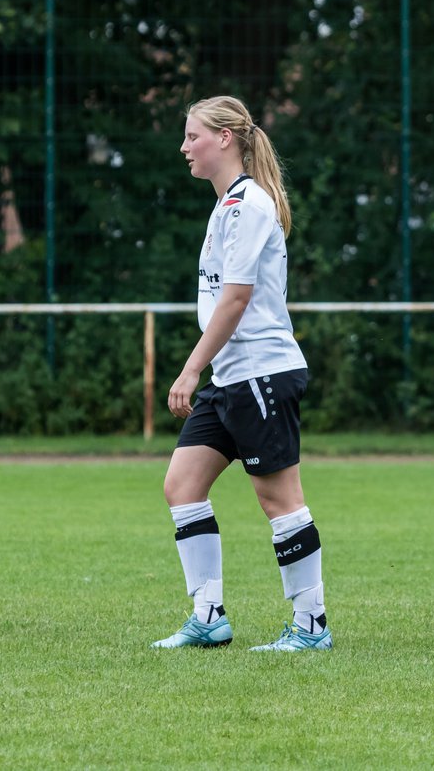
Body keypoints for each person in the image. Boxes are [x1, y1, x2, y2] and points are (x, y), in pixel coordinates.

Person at [150, 95, 331, 652]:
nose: (184, 147)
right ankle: (208, 617)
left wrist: (188, 370)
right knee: (182, 485)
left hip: (260, 372)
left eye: (193, 136)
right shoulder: (228, 204)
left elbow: (236, 300)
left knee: (279, 500)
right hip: (231, 378)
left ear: (225, 138)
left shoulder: (248, 204)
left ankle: (310, 626)